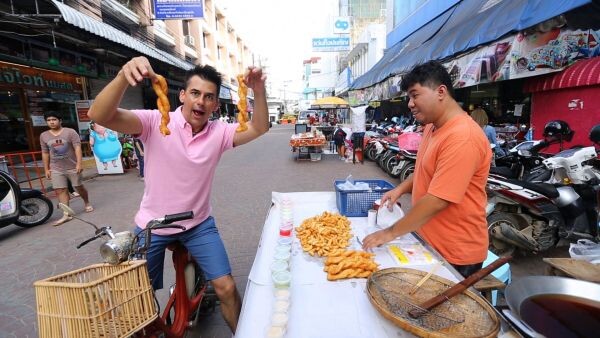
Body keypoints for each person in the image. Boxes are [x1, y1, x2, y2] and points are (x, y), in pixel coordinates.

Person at [87, 56, 269, 333]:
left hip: (198, 225)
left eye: (209, 97)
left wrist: (258, 90)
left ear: (216, 105)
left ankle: (243, 333)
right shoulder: (154, 122)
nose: (200, 102)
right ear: (182, 95)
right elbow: (99, 115)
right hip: (153, 226)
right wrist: (124, 75)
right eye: (195, 93)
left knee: (227, 287)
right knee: (137, 297)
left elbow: (259, 127)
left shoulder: (219, 133)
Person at [362, 61, 492, 278]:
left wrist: (390, 233)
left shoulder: (462, 137)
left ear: (441, 91)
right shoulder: (432, 127)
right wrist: (401, 189)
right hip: (428, 240)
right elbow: (424, 169)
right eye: (409, 98)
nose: (410, 104)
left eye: (415, 95)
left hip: (454, 253)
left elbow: (439, 199)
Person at [40, 112, 93, 226]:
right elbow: (45, 153)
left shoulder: (70, 132)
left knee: (79, 186)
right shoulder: (44, 135)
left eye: (54, 119)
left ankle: (87, 202)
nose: (51, 122)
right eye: (49, 120)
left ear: (60, 120)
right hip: (56, 168)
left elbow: (77, 147)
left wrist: (79, 163)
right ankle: (66, 214)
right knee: (60, 190)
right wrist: (46, 169)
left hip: (72, 166)